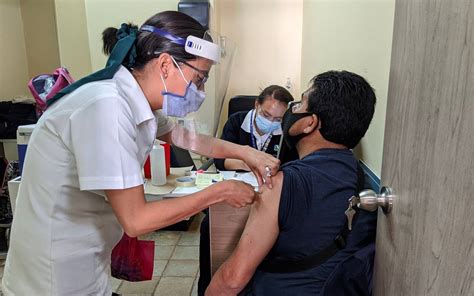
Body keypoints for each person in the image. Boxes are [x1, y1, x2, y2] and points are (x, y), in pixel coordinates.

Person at [2, 11, 280, 295]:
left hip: (85, 262)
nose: (201, 90)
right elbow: (137, 220)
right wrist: (219, 192)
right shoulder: (107, 106)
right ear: (165, 65)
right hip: (51, 278)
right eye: (199, 79)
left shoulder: (136, 101)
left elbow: (190, 139)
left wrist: (248, 153)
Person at [206, 70, 378, 295]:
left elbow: (232, 280)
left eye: (299, 106)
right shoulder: (362, 182)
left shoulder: (282, 183)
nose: (291, 111)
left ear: (310, 123)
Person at [198, 85, 294, 295]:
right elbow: (222, 160)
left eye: (277, 119)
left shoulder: (285, 133)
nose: (270, 122)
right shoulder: (236, 121)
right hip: (234, 188)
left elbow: (287, 166)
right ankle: (206, 284)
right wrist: (251, 161)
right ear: (256, 104)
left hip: (266, 195)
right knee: (208, 227)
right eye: (266, 114)